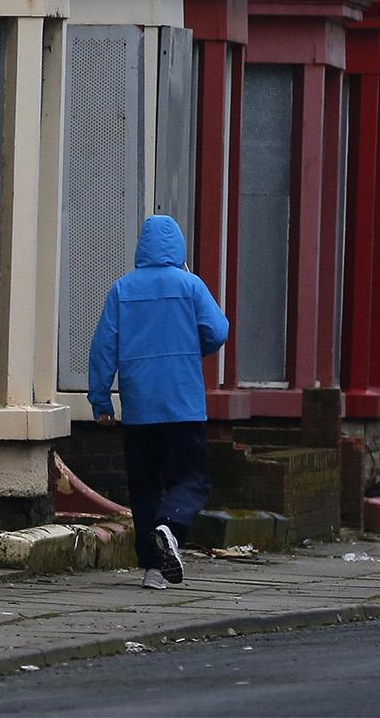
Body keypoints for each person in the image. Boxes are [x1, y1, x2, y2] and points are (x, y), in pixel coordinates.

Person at [87, 213, 230, 590]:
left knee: (144, 486)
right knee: (191, 480)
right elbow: (217, 331)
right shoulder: (191, 285)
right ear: (178, 247)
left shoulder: (122, 290)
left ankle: (153, 569)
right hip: (183, 406)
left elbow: (103, 347)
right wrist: (192, 347)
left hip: (139, 410)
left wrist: (101, 399)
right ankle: (172, 524)